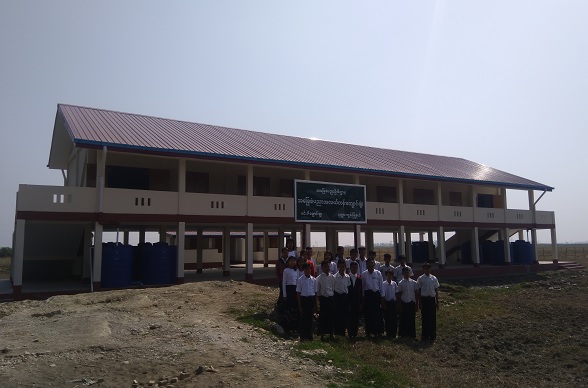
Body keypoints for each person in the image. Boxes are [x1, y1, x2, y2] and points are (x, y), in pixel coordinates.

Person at [417, 262, 440, 342]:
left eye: (428, 268)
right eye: (425, 268)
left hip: (431, 300)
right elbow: (419, 291)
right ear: (423, 269)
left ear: (430, 269)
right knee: (425, 318)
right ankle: (425, 335)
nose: (426, 270)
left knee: (432, 318)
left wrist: (437, 302)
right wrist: (420, 303)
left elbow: (436, 290)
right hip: (424, 299)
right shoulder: (420, 278)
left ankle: (432, 335)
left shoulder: (434, 278)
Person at [361, 257, 383, 338]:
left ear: (374, 264)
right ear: (366, 264)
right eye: (369, 263)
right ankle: (368, 332)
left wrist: (382, 298)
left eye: (372, 263)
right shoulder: (363, 274)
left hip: (376, 295)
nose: (370, 264)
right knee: (368, 314)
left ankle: (377, 331)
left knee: (377, 314)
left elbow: (381, 286)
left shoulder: (378, 273)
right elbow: (363, 288)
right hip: (368, 295)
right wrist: (363, 298)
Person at [296, 262, 317, 341]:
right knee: (303, 319)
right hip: (304, 300)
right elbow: (298, 293)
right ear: (303, 270)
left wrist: (315, 303)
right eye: (307, 269)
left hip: (311, 300)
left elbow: (315, 292)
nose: (308, 270)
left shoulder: (314, 280)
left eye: (309, 269)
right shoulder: (300, 280)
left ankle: (309, 335)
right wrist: (300, 305)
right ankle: (303, 336)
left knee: (310, 319)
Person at [397, 266, 418, 340]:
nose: (406, 274)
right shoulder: (400, 283)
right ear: (402, 274)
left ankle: (412, 334)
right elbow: (399, 295)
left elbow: (416, 294)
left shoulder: (414, 283)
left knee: (411, 319)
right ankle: (403, 334)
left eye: (407, 272)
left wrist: (416, 304)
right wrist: (399, 305)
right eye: (405, 273)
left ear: (409, 273)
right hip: (404, 303)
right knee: (403, 319)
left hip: (411, 303)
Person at [316, 260, 335, 340]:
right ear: (322, 268)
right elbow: (318, 290)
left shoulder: (332, 277)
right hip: (323, 299)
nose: (327, 268)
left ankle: (331, 333)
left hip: (331, 298)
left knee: (331, 316)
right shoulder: (319, 278)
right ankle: (322, 334)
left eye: (328, 266)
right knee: (323, 316)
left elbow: (333, 288)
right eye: (325, 267)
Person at [281, 256, 300, 335]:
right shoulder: (286, 270)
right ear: (288, 262)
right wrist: (284, 294)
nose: (292, 262)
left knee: (295, 309)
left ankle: (295, 327)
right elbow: (284, 283)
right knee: (289, 308)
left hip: (296, 290)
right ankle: (287, 327)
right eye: (291, 261)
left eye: (294, 261)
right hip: (289, 290)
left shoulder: (297, 270)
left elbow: (298, 281)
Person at [333, 259, 351, 336]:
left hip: (344, 297)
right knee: (337, 315)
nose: (342, 268)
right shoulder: (334, 277)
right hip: (337, 296)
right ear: (338, 267)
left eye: (343, 266)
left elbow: (348, 287)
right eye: (340, 266)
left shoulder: (347, 277)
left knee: (344, 315)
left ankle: (343, 331)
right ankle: (337, 331)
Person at [380, 268, 399, 339]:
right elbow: (382, 295)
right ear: (386, 275)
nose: (389, 276)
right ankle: (388, 333)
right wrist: (383, 304)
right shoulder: (383, 284)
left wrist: (397, 304)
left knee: (394, 319)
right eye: (388, 275)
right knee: (387, 319)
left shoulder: (394, 283)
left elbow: (396, 294)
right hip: (386, 303)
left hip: (393, 303)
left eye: (391, 275)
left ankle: (394, 333)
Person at [347, 260, 363, 338]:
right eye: (353, 267)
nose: (355, 269)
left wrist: (360, 303)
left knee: (356, 318)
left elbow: (360, 292)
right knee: (350, 317)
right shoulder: (347, 277)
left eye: (356, 267)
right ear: (350, 268)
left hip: (357, 301)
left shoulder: (359, 279)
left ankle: (355, 333)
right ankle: (350, 333)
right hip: (349, 301)